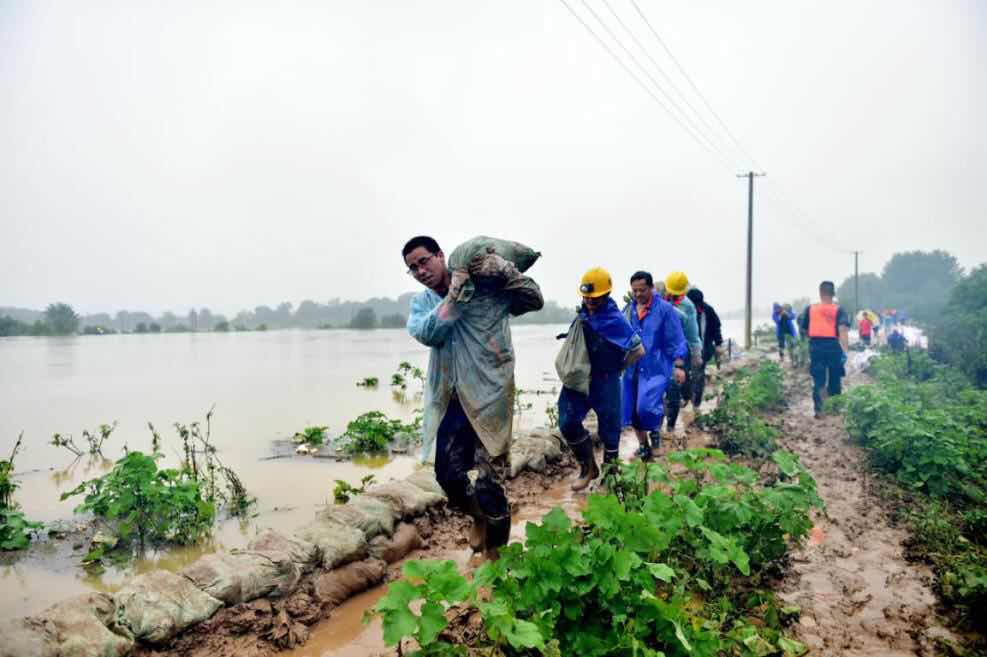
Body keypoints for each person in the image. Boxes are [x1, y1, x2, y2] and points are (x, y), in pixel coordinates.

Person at [404, 235, 543, 559]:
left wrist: (507, 273)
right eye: (413, 268)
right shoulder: (423, 303)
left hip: (491, 394)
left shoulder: (488, 287)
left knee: (489, 484)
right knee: (447, 476)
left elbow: (534, 299)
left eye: (424, 261)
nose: (421, 270)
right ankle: (478, 516)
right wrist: (455, 295)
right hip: (452, 397)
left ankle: (495, 559)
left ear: (441, 256)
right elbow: (427, 333)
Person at [558, 267, 643, 490]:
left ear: (606, 295)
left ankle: (610, 477)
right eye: (586, 297)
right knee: (567, 422)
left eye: (594, 298)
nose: (589, 301)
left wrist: (618, 368)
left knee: (610, 432)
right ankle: (588, 468)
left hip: (606, 381)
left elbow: (638, 350)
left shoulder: (615, 320)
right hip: (580, 379)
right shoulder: (583, 314)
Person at [622, 272, 687, 459]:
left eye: (642, 290)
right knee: (632, 409)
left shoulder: (665, 310)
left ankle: (655, 434)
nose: (638, 294)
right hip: (631, 366)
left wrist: (679, 365)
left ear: (651, 288)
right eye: (635, 290)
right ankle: (643, 445)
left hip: (655, 366)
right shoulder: (628, 310)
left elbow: (676, 338)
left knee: (647, 406)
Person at [799, 281, 850, 418]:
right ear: (833, 294)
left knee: (819, 379)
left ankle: (820, 410)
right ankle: (834, 409)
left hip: (816, 346)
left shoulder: (810, 309)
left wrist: (807, 346)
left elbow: (803, 330)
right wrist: (845, 351)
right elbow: (843, 330)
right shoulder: (838, 310)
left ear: (820, 293)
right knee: (834, 378)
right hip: (833, 346)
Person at [662, 271, 702, 435]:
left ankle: (670, 428)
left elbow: (692, 334)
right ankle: (655, 430)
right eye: (671, 292)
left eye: (678, 295)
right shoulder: (656, 298)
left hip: (678, 352)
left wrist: (696, 354)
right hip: (657, 351)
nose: (673, 296)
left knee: (674, 389)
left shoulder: (688, 306)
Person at [686, 288, 723, 408]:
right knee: (685, 376)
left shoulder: (708, 311)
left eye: (697, 305)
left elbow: (716, 327)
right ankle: (686, 398)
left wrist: (718, 344)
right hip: (685, 351)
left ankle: (696, 405)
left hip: (703, 350)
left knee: (699, 376)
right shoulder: (683, 311)